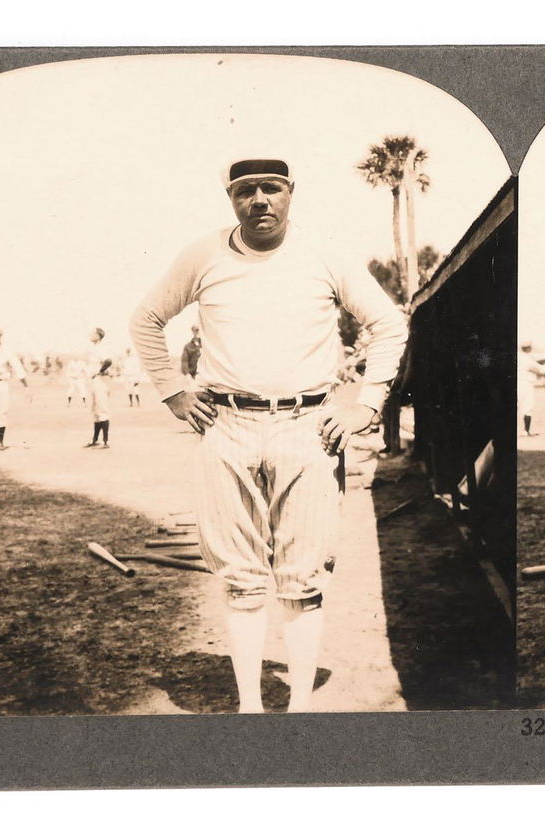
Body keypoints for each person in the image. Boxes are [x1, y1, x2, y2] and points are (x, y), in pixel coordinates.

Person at [130, 157, 407, 713]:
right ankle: (251, 709)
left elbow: (388, 324)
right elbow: (146, 319)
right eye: (246, 190)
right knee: (241, 580)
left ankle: (298, 707)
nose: (259, 200)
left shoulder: (324, 253)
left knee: (303, 580)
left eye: (271, 188)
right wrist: (173, 392)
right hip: (226, 426)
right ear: (231, 198)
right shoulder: (203, 254)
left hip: (307, 429)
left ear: (290, 192)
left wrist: (367, 403)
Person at [83, 327, 114, 448]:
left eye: (93, 333)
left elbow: (108, 361)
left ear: (98, 335)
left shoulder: (102, 348)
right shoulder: (94, 349)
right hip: (94, 381)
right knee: (95, 410)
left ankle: (106, 441)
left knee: (102, 408)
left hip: (100, 381)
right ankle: (95, 440)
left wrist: (100, 371)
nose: (90, 335)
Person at [517, 340, 545, 436]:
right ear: (529, 348)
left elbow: (536, 357)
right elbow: (542, 370)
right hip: (525, 384)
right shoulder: (529, 360)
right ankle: (526, 431)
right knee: (527, 407)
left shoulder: (519, 356)